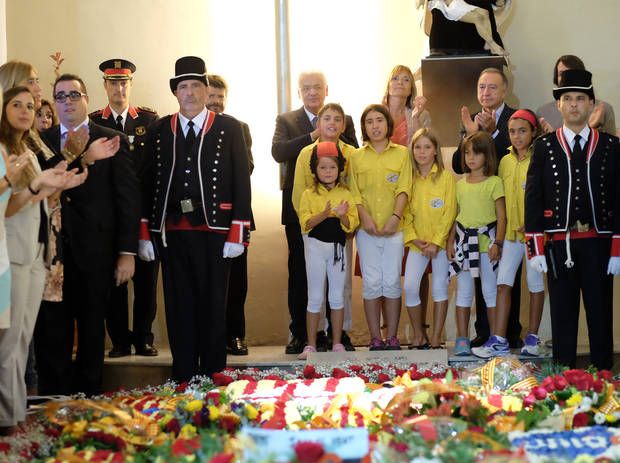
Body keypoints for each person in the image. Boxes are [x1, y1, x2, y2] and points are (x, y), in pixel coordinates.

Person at [140, 56, 251, 382]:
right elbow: (146, 182)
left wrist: (238, 230)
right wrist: (145, 229)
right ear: (176, 92)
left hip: (216, 232)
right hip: (172, 233)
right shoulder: (160, 129)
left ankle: (213, 374)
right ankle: (183, 375)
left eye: (195, 86)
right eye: (183, 86)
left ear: (206, 91)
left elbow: (241, 180)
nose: (189, 92)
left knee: (214, 305)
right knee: (178, 306)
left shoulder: (230, 128)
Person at [38, 74, 139, 395]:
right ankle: (56, 401)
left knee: (93, 331)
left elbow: (127, 200)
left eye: (73, 95)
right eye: (60, 97)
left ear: (85, 98)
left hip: (96, 252)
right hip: (52, 254)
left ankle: (88, 401)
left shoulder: (111, 138)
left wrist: (127, 252)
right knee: (54, 331)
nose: (67, 102)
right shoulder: (41, 140)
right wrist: (84, 156)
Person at [0, 87, 83, 435]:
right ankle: (8, 419)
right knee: (11, 343)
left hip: (35, 251)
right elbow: (9, 206)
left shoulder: (26, 150)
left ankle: (17, 414)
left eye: (30, 106)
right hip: (12, 252)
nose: (25, 111)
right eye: (16, 105)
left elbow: (38, 200)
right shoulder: (4, 151)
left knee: (21, 341)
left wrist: (57, 184)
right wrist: (36, 187)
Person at [525, 69, 619, 370]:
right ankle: (561, 385)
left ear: (592, 104)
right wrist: (534, 247)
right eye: (568, 99)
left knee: (601, 317)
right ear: (560, 105)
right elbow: (534, 199)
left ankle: (604, 385)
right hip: (558, 247)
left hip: (599, 246)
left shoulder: (610, 146)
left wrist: (617, 246)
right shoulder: (544, 146)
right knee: (563, 319)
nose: (574, 104)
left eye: (581, 98)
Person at [271, 70, 357, 355]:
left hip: (340, 221)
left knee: (340, 281)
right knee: (301, 278)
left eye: (317, 87)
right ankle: (303, 335)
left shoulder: (346, 125)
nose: (312, 92)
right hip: (304, 221)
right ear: (299, 92)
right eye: (306, 88)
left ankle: (337, 334)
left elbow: (353, 176)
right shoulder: (288, 122)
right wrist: (310, 220)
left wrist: (346, 215)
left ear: (326, 89)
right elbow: (279, 153)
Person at [89, 59, 159, 358]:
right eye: (113, 82)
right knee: (113, 281)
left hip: (143, 214)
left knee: (146, 281)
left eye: (124, 82)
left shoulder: (149, 120)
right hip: (110, 216)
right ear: (105, 85)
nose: (119, 88)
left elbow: (157, 166)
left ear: (131, 84)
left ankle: (143, 337)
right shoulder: (93, 123)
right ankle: (119, 340)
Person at [451, 67, 521, 349]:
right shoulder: (472, 120)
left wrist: (491, 135)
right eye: (482, 87)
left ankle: (507, 332)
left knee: (504, 280)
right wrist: (469, 134)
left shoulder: (515, 118)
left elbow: (511, 153)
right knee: (477, 280)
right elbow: (459, 164)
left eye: (492, 87)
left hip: (505, 210)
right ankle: (484, 332)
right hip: (475, 211)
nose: (486, 93)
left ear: (505, 90)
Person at [472, 110, 544, 359]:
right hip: (511, 236)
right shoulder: (504, 161)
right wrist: (499, 238)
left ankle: (533, 337)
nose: (516, 136)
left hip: (534, 235)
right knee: (503, 284)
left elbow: (548, 195)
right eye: (512, 132)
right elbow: (499, 202)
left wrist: (536, 222)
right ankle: (499, 339)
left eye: (522, 131)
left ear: (533, 132)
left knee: (535, 285)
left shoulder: (540, 157)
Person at [292, 103, 356, 351]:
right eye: (326, 118)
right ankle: (314, 337)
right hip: (315, 234)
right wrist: (314, 222)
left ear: (343, 124)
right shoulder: (306, 153)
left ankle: (339, 336)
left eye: (338, 119)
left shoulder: (352, 153)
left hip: (341, 234)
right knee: (314, 291)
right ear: (318, 123)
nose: (332, 123)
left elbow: (355, 194)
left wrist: (346, 220)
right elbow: (300, 196)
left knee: (341, 288)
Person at [348, 104, 412, 351]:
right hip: (367, 232)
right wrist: (364, 218)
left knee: (393, 282)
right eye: (370, 121)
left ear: (388, 125)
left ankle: (392, 337)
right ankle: (375, 338)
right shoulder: (356, 157)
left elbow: (404, 187)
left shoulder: (402, 154)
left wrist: (395, 217)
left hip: (395, 230)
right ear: (364, 127)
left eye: (379, 121)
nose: (375, 126)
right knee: (372, 283)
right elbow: (354, 191)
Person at [206, 74, 254, 356]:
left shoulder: (239, 128)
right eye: (211, 97)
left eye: (220, 98)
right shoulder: (191, 128)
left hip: (235, 217)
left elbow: (246, 168)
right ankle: (210, 335)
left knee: (237, 281)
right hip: (202, 220)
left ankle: (235, 335)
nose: (215, 103)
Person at [447, 131, 505, 356]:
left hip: (487, 244)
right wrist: (451, 241)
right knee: (464, 292)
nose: (471, 158)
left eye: (476, 153)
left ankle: (493, 338)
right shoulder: (460, 184)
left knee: (490, 292)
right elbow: (456, 214)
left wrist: (498, 243)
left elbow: (502, 217)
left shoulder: (494, 182)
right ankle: (462, 338)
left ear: (487, 155)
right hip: (463, 244)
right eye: (467, 153)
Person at [403, 128, 456, 349]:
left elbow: (450, 211)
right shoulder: (409, 179)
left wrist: (436, 241)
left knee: (439, 290)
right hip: (417, 245)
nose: (422, 151)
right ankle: (418, 335)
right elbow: (404, 212)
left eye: (427, 147)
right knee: (410, 287)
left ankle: (435, 337)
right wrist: (414, 239)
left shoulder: (445, 178)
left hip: (440, 245)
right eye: (417, 147)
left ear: (435, 151)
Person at [536, 55, 616, 136]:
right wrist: (552, 139)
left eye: (572, 72)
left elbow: (612, 146)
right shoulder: (543, 113)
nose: (567, 77)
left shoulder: (604, 109)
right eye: (562, 74)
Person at [425, 0, 508, 56]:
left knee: (483, 14)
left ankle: (491, 43)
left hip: (479, 45)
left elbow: (500, 3)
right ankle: (491, 43)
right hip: (447, 44)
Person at [384, 65, 431, 148]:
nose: (400, 82)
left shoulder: (423, 115)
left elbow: (425, 149)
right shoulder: (375, 113)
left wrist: (415, 119)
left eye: (406, 80)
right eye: (395, 78)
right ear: (388, 86)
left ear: (411, 89)